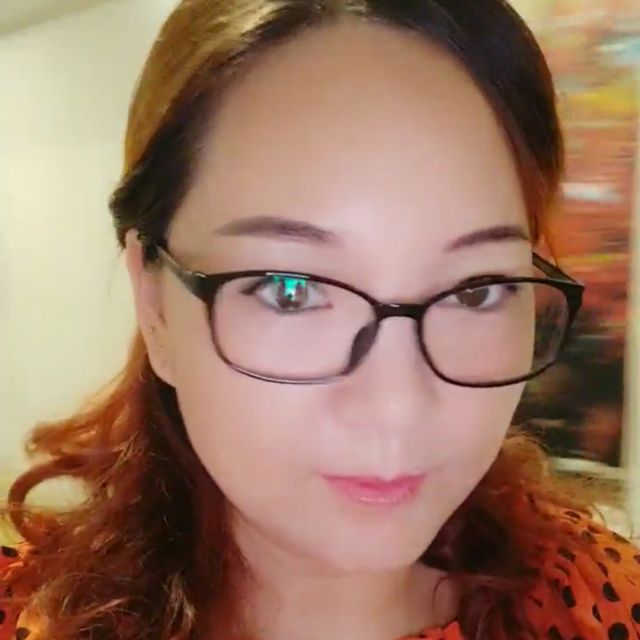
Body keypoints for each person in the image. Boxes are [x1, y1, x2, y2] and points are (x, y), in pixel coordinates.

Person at [1, 1, 638, 639]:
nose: (396, 408)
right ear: (156, 304)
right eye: (291, 290)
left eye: (476, 291)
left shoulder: (600, 605)